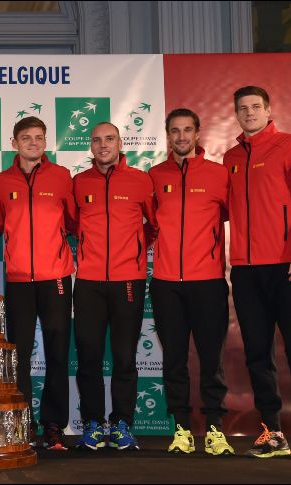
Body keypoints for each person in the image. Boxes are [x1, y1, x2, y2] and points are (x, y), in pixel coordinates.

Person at [149, 108, 233, 455]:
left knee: (212, 359)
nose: (181, 137)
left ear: (198, 134)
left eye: (187, 130)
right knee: (174, 360)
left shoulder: (219, 174)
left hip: (208, 281)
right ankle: (181, 429)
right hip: (167, 282)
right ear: (167, 135)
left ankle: (215, 429)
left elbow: (230, 216)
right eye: (174, 131)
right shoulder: (153, 176)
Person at [0, 116, 76, 450]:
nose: (33, 143)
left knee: (57, 353)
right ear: (14, 144)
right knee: (19, 355)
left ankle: (54, 426)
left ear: (45, 141)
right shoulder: (1, 181)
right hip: (19, 280)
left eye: (39, 137)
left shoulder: (62, 177)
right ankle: (21, 424)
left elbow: (72, 221)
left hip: (55, 277)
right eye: (26, 138)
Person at [72, 122, 156, 451]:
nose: (103, 145)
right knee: (89, 358)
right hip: (90, 282)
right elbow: (71, 224)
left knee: (124, 357)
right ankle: (94, 423)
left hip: (128, 281)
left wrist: (133, 248)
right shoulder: (79, 183)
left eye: (109, 139)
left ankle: (121, 423)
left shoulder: (140, 181)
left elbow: (154, 224)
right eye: (96, 140)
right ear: (90, 146)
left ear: (120, 142)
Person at [224, 86, 291, 458]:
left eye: (255, 107)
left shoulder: (286, 145)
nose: (248, 113)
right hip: (246, 271)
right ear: (236, 114)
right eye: (242, 108)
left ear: (268, 110)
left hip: (284, 266)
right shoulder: (230, 157)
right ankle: (273, 432)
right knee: (257, 355)